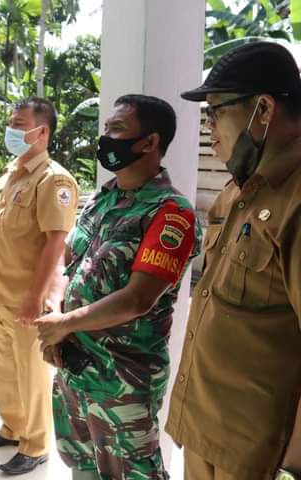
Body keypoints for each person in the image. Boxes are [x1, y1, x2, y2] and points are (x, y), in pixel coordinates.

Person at [34, 94, 202, 479]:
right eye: (106, 128)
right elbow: (66, 261)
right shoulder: (100, 199)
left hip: (123, 380)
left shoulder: (171, 213)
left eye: (118, 129)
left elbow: (138, 298)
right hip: (75, 368)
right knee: (82, 467)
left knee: (130, 474)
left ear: (149, 142)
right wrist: (54, 311)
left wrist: (65, 324)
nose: (106, 137)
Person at [164, 42, 301, 480]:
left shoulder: (296, 199)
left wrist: (293, 466)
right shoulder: (238, 192)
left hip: (259, 455)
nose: (209, 128)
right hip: (207, 433)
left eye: (215, 111)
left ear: (263, 109)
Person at [0, 96, 78, 476]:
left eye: (20, 124)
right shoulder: (11, 174)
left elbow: (56, 242)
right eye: (12, 123)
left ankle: (35, 445)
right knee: (5, 367)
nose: (12, 130)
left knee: (31, 372)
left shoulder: (54, 179)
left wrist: (37, 298)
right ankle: (12, 428)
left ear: (42, 131)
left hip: (25, 298)